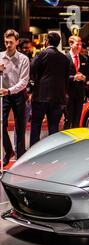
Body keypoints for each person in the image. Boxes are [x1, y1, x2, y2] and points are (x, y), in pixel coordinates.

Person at [29, 32, 69, 146]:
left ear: (46, 41)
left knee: (36, 125)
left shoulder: (41, 54)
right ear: (58, 43)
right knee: (54, 127)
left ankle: (33, 152)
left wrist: (34, 83)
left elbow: (31, 69)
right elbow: (66, 79)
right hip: (57, 97)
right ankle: (52, 153)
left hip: (40, 96)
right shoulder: (64, 58)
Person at [0, 29, 30, 166]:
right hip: (3, 96)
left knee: (20, 127)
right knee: (1, 125)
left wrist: (9, 90)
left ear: (17, 42)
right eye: (6, 42)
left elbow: (24, 81)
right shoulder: (0, 56)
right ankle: (9, 150)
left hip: (18, 95)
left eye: (11, 42)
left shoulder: (23, 59)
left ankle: (21, 157)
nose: (8, 45)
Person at [65, 35, 87, 129]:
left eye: (80, 44)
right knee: (68, 120)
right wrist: (73, 77)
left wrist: (84, 77)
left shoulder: (84, 59)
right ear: (71, 44)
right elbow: (62, 76)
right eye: (77, 44)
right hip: (68, 93)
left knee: (77, 121)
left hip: (80, 93)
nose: (80, 47)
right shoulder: (64, 58)